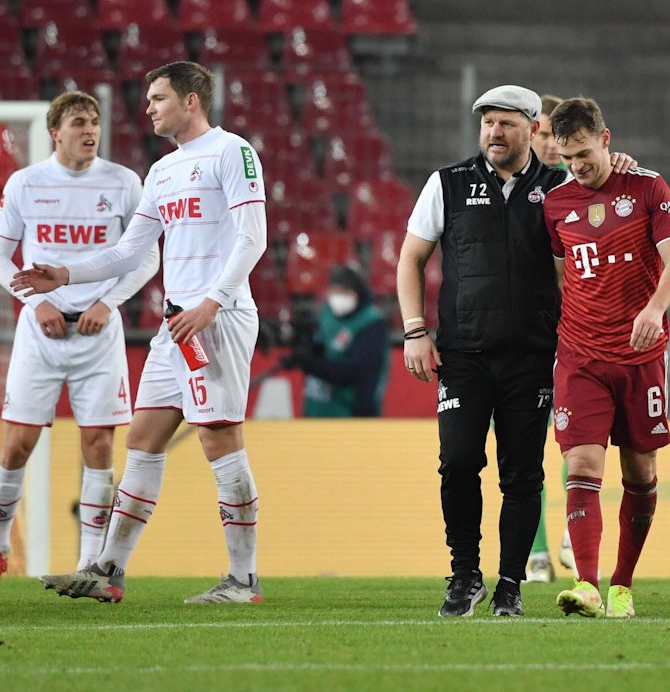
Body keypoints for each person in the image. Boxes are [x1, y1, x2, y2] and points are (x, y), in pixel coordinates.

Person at [14, 61, 269, 604]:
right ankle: (109, 571)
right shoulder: (162, 170)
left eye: (158, 98)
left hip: (216, 319)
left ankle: (244, 579)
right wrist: (64, 274)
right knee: (143, 439)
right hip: (176, 325)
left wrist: (211, 303)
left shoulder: (232, 152)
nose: (148, 107)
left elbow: (253, 239)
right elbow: (131, 250)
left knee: (218, 437)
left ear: (191, 101)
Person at [397, 85, 636, 618]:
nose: (494, 133)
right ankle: (464, 576)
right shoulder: (448, 183)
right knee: (457, 463)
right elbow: (410, 257)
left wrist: (619, 162)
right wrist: (415, 331)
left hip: (533, 356)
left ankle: (510, 584)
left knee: (522, 474)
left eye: (506, 123)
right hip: (462, 355)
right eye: (487, 123)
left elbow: (612, 192)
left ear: (534, 129)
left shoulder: (561, 188)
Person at [0, 92, 159, 583]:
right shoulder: (26, 183)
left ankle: (91, 560)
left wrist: (106, 303)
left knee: (98, 446)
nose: (89, 131)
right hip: (41, 332)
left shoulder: (124, 182)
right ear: (54, 131)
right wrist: (36, 301)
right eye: (78, 123)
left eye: (93, 122)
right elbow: (1, 254)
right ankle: (1, 542)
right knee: (17, 445)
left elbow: (147, 256)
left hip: (98, 332)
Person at [545, 96, 670, 618]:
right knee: (581, 464)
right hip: (581, 355)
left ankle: (622, 585)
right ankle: (586, 584)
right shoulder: (555, 203)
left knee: (640, 472)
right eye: (567, 158)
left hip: (640, 355)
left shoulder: (648, 187)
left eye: (584, 153)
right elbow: (562, 276)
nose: (577, 166)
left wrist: (654, 309)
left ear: (606, 140)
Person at [526, 92, 571, 584]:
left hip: (572, 328)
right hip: (524, 330)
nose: (554, 147)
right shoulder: (511, 188)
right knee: (527, 444)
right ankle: (538, 551)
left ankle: (569, 540)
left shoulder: (583, 185)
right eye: (545, 136)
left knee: (577, 434)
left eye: (561, 138)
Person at [284, 264, 390, 417]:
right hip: (317, 410)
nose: (338, 296)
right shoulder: (326, 313)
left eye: (344, 291)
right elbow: (320, 344)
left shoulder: (371, 323)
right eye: (334, 290)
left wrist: (310, 363)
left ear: (357, 294)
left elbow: (357, 370)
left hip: (352, 413)